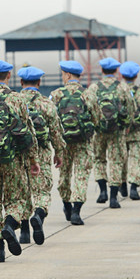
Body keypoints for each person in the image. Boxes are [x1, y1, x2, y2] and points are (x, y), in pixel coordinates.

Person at [0, 60, 39, 261]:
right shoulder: (17, 99)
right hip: (14, 159)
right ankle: (10, 224)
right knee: (16, 199)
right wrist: (33, 159)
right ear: (9, 76)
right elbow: (27, 130)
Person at [18, 66, 65, 245]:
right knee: (42, 191)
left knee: (23, 192)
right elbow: (56, 131)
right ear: (39, 82)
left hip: (20, 154)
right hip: (42, 153)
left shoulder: (14, 101)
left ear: (21, 83)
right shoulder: (47, 103)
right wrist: (58, 153)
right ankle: (38, 215)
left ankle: (23, 232)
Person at [50, 60, 99, 225]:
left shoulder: (56, 94)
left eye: (63, 74)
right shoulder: (88, 94)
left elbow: (51, 119)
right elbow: (96, 117)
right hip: (83, 141)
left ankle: (67, 205)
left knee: (64, 175)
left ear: (68, 75)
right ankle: (77, 211)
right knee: (81, 175)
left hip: (63, 142)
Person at [86, 58, 135, 209]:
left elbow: (88, 107)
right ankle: (114, 197)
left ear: (102, 71)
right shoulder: (123, 87)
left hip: (99, 131)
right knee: (116, 160)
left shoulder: (94, 87)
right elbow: (131, 107)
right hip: (117, 131)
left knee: (99, 159)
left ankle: (102, 191)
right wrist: (127, 125)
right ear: (116, 71)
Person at [118, 61, 140, 200]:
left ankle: (122, 185)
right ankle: (134, 187)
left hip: (120, 132)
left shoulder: (118, 90)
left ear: (122, 75)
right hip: (138, 131)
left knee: (121, 159)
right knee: (136, 160)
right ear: (137, 75)